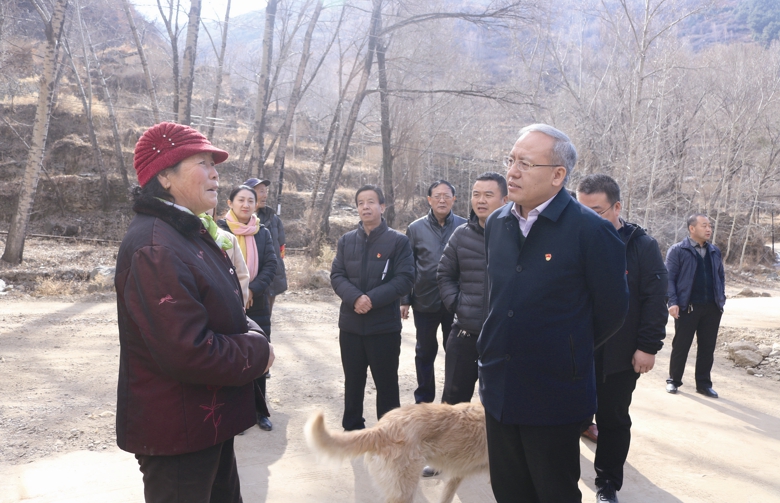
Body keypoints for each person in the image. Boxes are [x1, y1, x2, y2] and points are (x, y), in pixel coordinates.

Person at [115, 122, 274, 503]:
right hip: (178, 432)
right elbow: (188, 349)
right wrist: (259, 352)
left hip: (205, 423)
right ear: (165, 177)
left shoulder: (187, 233)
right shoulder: (156, 246)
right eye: (202, 162)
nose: (216, 172)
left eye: (214, 163)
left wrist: (255, 336)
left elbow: (229, 304)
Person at [479, 124, 629, 503]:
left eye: (526, 163)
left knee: (553, 493)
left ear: (558, 175)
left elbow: (612, 311)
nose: (512, 171)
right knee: (508, 491)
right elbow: (496, 298)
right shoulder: (497, 223)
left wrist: (567, 348)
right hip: (500, 386)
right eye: (511, 160)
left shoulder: (591, 232)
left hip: (554, 393)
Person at [576, 174, 668, 503]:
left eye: (596, 210)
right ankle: (563, 479)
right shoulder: (572, 239)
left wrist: (647, 347)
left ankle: (607, 483)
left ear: (617, 207)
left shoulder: (641, 246)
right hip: (575, 351)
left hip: (620, 354)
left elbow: (655, 300)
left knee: (613, 419)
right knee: (568, 416)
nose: (586, 217)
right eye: (580, 208)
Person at [331, 185, 414, 431]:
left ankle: (389, 433)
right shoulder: (346, 241)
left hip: (383, 327)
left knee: (387, 383)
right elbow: (337, 275)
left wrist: (371, 299)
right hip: (351, 325)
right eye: (360, 203)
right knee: (353, 381)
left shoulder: (398, 241)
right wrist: (355, 298)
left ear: (382, 206)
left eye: (371, 202)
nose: (365, 207)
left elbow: (405, 278)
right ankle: (352, 428)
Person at [437, 172, 507, 405]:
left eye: (489, 195)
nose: (481, 200)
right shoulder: (462, 235)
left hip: (502, 338)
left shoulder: (516, 236)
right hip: (465, 335)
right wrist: (457, 304)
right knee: (453, 405)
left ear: (505, 200)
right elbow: (444, 273)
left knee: (498, 406)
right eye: (476, 194)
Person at [217, 185, 277, 431]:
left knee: (259, 355)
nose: (245, 205)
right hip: (228, 302)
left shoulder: (262, 232)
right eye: (240, 200)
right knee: (232, 357)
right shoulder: (218, 230)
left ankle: (259, 411)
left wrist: (251, 290)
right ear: (230, 202)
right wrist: (239, 292)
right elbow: (215, 265)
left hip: (258, 302)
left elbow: (271, 264)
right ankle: (235, 413)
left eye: (250, 201)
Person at [401, 180, 466, 405]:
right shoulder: (415, 228)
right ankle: (424, 401)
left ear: (453, 199)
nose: (442, 200)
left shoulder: (464, 226)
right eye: (437, 196)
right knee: (425, 351)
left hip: (456, 303)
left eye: (446, 196)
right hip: (424, 301)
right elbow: (408, 266)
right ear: (429, 200)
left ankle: (451, 402)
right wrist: (405, 299)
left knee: (456, 354)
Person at [665, 213, 726, 398]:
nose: (709, 229)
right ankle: (673, 381)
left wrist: (721, 300)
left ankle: (704, 384)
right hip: (688, 307)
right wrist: (673, 302)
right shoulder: (678, 250)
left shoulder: (714, 251)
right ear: (692, 228)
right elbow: (669, 278)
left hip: (712, 308)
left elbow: (721, 277)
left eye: (710, 226)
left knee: (707, 347)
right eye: (704, 225)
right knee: (681, 345)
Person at [243, 178, 287, 314]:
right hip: (244, 279)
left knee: (264, 321)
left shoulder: (273, 219)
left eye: (266, 191)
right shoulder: (236, 221)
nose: (265, 195)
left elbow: (281, 248)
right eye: (261, 191)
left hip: (269, 279)